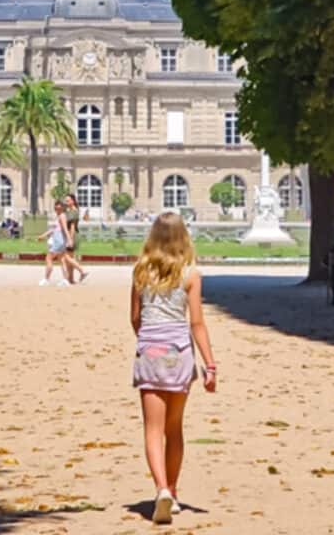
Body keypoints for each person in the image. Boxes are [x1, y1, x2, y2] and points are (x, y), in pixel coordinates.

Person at [131, 212, 216, 524]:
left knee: (152, 429)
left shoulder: (140, 271)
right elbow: (196, 323)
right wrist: (210, 364)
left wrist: (146, 342)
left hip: (150, 351)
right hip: (179, 353)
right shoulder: (191, 274)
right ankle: (174, 492)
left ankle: (160, 488)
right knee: (174, 428)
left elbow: (135, 318)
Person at [37, 200, 70, 287]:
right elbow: (53, 229)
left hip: (59, 240)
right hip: (60, 240)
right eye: (56, 206)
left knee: (49, 258)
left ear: (62, 207)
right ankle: (65, 280)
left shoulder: (62, 216)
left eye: (59, 206)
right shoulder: (60, 216)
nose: (56, 207)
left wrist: (69, 239)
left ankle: (46, 279)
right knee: (62, 260)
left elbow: (65, 229)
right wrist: (43, 236)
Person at [63, 193, 88, 284]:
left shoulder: (74, 211)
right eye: (65, 200)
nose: (66, 202)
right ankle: (71, 279)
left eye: (68, 200)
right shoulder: (69, 211)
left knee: (66, 257)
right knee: (70, 258)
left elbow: (72, 226)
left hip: (72, 235)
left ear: (73, 201)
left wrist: (70, 239)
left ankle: (82, 271)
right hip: (70, 235)